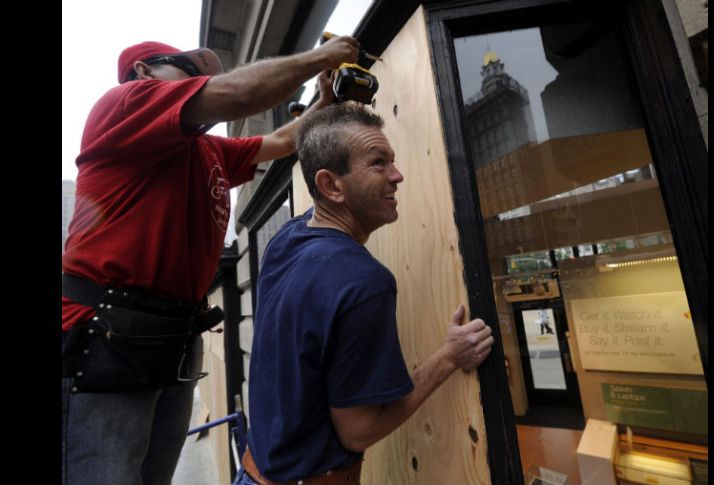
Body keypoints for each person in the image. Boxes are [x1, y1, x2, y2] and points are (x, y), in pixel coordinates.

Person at [61, 37, 360, 485]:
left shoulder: (207, 151)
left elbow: (281, 139)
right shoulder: (125, 105)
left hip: (171, 339)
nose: (201, 80)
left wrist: (324, 99)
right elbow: (240, 95)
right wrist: (323, 55)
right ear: (144, 72)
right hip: (105, 336)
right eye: (187, 68)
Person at [234, 104, 495, 485]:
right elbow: (358, 431)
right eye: (378, 163)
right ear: (331, 186)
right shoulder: (364, 281)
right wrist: (449, 357)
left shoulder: (286, 240)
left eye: (393, 160)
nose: (397, 175)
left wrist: (324, 106)